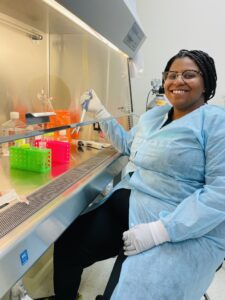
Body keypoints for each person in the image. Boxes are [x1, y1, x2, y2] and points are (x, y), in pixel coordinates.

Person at [53, 49, 225, 300]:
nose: (178, 81)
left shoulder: (215, 122)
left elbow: (220, 193)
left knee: (127, 291)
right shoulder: (154, 117)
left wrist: (158, 231)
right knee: (68, 243)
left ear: (206, 82)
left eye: (189, 75)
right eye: (172, 75)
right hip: (129, 206)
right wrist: (101, 113)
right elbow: (129, 145)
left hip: (176, 224)